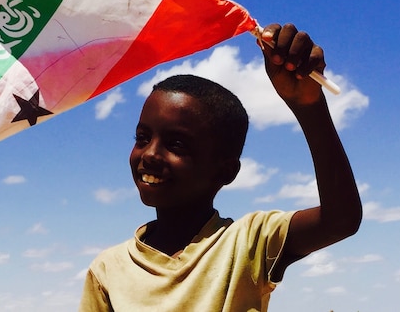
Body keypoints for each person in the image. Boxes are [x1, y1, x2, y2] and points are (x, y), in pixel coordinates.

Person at [79, 23, 362, 311]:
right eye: (143, 137)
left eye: (177, 144)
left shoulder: (250, 242)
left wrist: (308, 105)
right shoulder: (108, 269)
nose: (150, 154)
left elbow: (340, 220)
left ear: (226, 171)